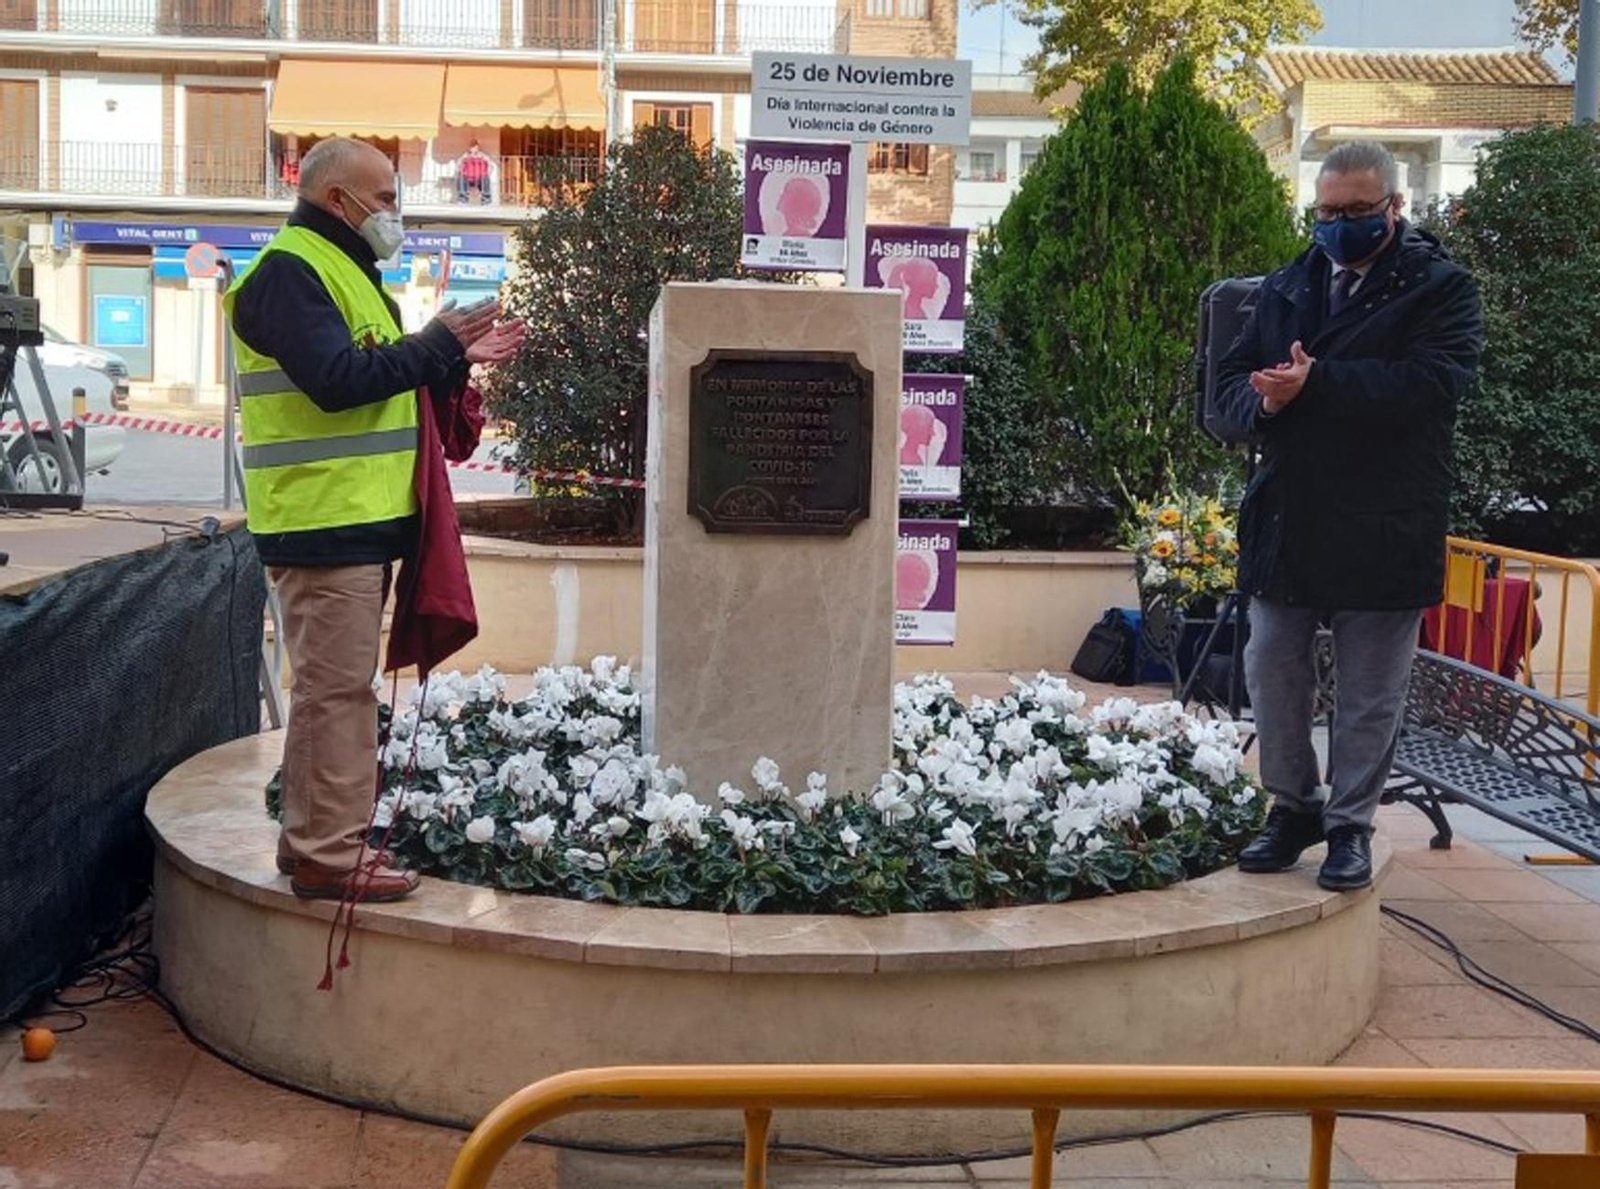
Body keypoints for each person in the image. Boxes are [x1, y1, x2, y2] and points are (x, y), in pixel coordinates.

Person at [224, 138, 525, 903]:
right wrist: (435, 343)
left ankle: (309, 841)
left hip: (349, 521)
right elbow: (339, 382)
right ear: (338, 200)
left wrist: (451, 358)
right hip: (323, 524)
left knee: (330, 690)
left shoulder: (343, 273)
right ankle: (329, 853)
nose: (395, 213)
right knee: (338, 695)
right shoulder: (290, 273)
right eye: (386, 198)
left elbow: (387, 379)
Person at [1213, 140, 1483, 891]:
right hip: (1289, 517)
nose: (1337, 225)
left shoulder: (1440, 288)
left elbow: (1431, 384)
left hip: (1384, 519)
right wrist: (1265, 399)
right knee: (1272, 669)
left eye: (1356, 211)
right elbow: (1230, 381)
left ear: (1393, 207)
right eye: (1326, 212)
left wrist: (1317, 383)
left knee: (1369, 695)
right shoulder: (1287, 282)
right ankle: (1292, 805)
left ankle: (1349, 827)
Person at [458, 140, 491, 205]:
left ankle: (486, 199)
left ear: (477, 148)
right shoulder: (466, 155)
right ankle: (463, 199)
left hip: (480, 177)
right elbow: (459, 163)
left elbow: (490, 163)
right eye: (472, 147)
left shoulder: (482, 155)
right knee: (461, 178)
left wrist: (488, 172)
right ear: (469, 148)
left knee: (486, 179)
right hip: (468, 177)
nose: (473, 149)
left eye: (475, 147)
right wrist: (462, 160)